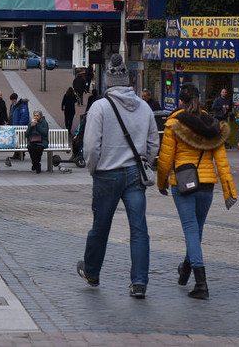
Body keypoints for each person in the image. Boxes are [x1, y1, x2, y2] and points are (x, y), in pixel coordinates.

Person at [76, 54, 159, 298]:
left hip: (106, 174)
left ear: (108, 83)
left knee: (100, 227)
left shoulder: (100, 107)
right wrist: (145, 161)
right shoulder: (143, 107)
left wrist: (93, 169)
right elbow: (154, 142)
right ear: (128, 81)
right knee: (139, 229)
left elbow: (91, 147)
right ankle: (139, 282)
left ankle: (92, 272)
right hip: (135, 174)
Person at [157, 83, 237, 300]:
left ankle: (201, 284)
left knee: (191, 230)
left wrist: (161, 182)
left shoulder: (174, 124)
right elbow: (221, 161)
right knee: (197, 230)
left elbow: (165, 159)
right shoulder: (213, 125)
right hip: (207, 185)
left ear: (180, 101)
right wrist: (229, 191)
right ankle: (185, 269)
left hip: (183, 183)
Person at [4, 94, 30, 167]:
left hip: (20, 127)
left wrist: (20, 125)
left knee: (21, 140)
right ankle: (16, 153)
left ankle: (21, 154)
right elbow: (11, 114)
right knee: (16, 140)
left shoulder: (22, 105)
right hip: (14, 126)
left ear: (16, 99)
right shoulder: (14, 105)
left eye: (13, 100)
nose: (12, 102)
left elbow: (24, 116)